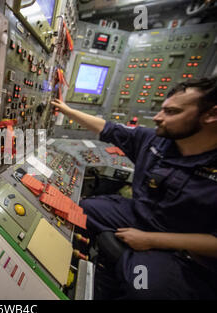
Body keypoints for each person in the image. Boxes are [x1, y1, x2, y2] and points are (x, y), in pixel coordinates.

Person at [51, 77, 217, 299]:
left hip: (189, 251)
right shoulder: (156, 141)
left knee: (140, 285)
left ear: (211, 115)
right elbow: (109, 129)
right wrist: (66, 110)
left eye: (172, 112)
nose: (158, 118)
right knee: (82, 209)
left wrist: (149, 240)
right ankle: (77, 267)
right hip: (142, 215)